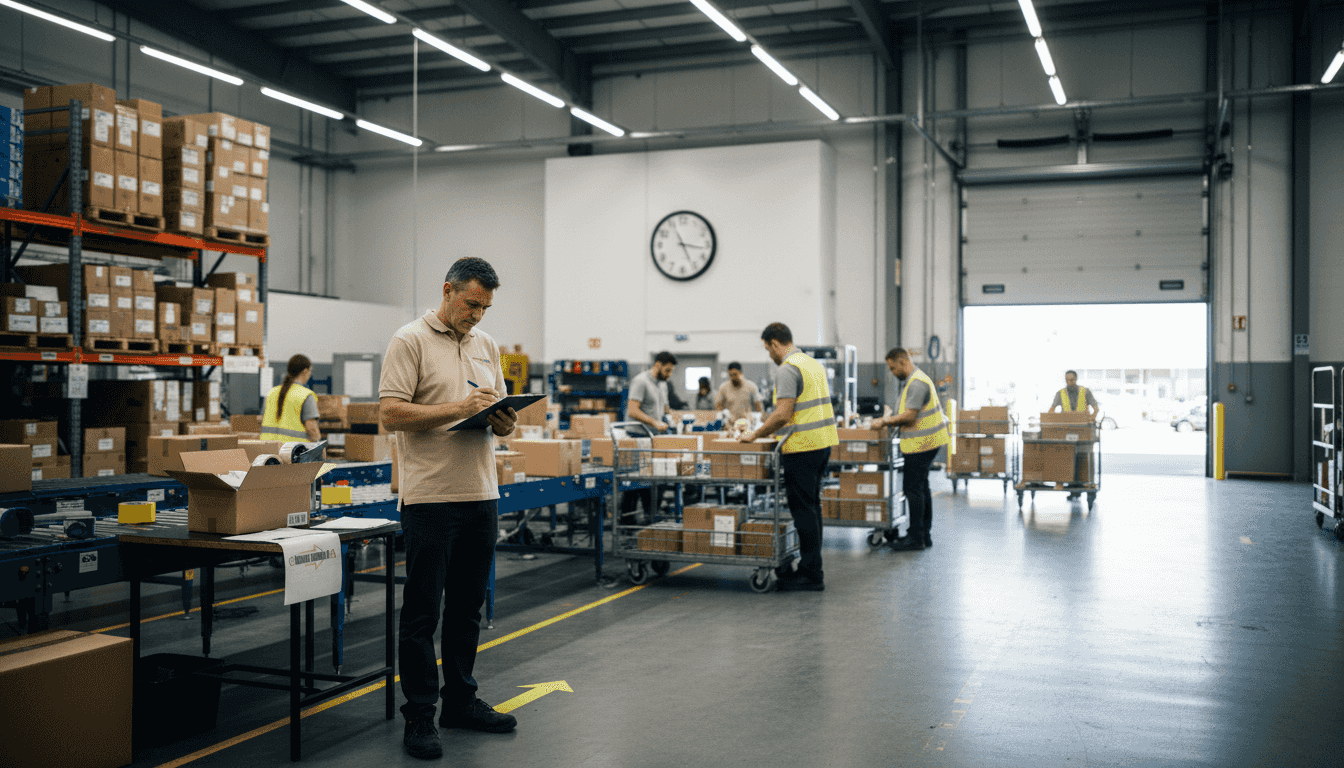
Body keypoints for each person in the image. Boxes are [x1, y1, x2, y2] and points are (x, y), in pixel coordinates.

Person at [379, 257, 519, 760]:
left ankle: (460, 701)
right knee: (422, 613)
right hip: (431, 499)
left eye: (484, 308)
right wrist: (457, 408)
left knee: (466, 608)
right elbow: (390, 412)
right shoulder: (409, 340)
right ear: (447, 290)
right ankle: (420, 714)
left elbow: (500, 413)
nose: (476, 315)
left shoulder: (487, 345)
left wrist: (505, 422)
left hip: (481, 494)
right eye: (471, 304)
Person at [741, 323, 838, 591]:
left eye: (768, 349)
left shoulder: (787, 368)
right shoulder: (812, 364)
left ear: (774, 343)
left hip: (802, 446)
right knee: (812, 506)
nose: (769, 355)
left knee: (803, 510)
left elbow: (783, 414)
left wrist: (756, 434)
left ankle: (811, 574)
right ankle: (812, 566)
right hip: (822, 444)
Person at [873, 347, 949, 552]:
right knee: (921, 488)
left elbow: (909, 416)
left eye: (893, 368)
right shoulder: (914, 380)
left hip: (922, 443)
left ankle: (916, 538)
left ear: (903, 362)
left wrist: (885, 421)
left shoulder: (916, 383)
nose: (892, 372)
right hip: (925, 442)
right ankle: (923, 535)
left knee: (913, 489)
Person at [1049, 370, 1098, 499]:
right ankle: (1073, 489)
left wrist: (1093, 416)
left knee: (1085, 459)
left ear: (1076, 379)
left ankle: (1088, 485)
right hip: (1067, 432)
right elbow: (1051, 409)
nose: (1069, 382)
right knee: (1069, 459)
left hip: (1084, 432)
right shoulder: (1060, 394)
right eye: (1067, 380)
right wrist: (1052, 419)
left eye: (1072, 380)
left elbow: (1095, 407)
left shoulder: (1085, 391)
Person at [260, 354, 321, 442]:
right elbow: (311, 428)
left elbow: (261, 419)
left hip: (268, 447)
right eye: (310, 370)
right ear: (305, 371)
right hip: (293, 448)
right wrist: (318, 444)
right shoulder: (305, 395)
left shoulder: (271, 393)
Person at [629, 352, 676, 434]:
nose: (669, 374)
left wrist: (672, 416)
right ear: (658, 365)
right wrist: (655, 423)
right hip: (638, 434)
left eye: (671, 371)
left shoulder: (662, 384)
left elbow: (665, 407)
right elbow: (632, 410)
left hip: (654, 433)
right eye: (667, 370)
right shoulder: (641, 381)